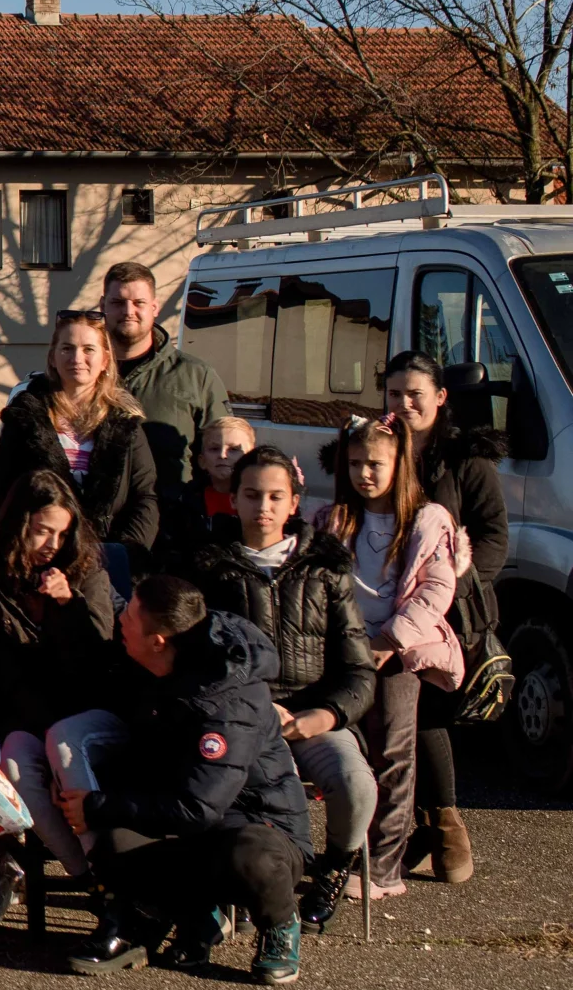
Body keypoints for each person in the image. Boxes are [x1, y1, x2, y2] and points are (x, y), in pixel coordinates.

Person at [65, 576, 309, 986]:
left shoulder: (226, 701)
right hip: (184, 818)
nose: (120, 620)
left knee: (249, 856)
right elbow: (117, 605)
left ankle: (280, 923)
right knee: (113, 843)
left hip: (254, 824)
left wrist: (96, 804)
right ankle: (193, 916)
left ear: (158, 641)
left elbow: (199, 807)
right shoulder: (164, 654)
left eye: (129, 618)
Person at [188, 444, 377, 926]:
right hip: (240, 720)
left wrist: (325, 715)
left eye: (275, 497)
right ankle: (245, 886)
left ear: (294, 502)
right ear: (234, 499)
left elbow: (359, 670)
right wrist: (249, 708)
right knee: (242, 789)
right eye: (252, 495)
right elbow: (194, 661)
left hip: (313, 716)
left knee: (355, 783)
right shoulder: (207, 567)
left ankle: (334, 868)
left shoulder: (326, 570)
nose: (264, 507)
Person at [315, 415, 465, 899]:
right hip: (347, 652)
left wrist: (390, 641)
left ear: (399, 464)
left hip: (400, 654)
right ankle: (346, 854)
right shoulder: (334, 519)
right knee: (350, 754)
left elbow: (435, 590)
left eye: (375, 464)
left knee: (395, 757)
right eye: (355, 463)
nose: (364, 474)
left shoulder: (427, 519)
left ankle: (383, 869)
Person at [0, 470, 118, 888]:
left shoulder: (85, 568)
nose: (52, 545)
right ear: (18, 526)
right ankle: (88, 876)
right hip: (25, 709)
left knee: (65, 745)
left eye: (62, 533)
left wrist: (67, 605)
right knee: (17, 763)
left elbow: (100, 655)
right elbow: (6, 673)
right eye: (42, 531)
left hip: (90, 703)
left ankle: (112, 878)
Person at [384, 348, 506, 883]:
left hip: (447, 610)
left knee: (427, 713)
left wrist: (452, 584)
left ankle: (447, 826)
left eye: (415, 394)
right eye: (394, 394)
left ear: (440, 397)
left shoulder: (466, 459)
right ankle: (422, 828)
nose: (405, 404)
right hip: (387, 602)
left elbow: (494, 534)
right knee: (392, 717)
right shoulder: (376, 449)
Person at [0, 309, 158, 573]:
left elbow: (145, 497)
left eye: (88, 349)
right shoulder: (24, 419)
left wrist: (124, 554)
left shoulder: (126, 423)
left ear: (105, 359)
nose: (77, 358)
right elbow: (1, 490)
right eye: (67, 348)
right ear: (53, 357)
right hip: (36, 563)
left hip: (108, 564)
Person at [100, 260, 230, 516]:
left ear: (155, 307)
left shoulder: (196, 376)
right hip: (96, 524)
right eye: (118, 302)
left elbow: (226, 457)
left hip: (174, 522)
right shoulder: (83, 375)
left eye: (138, 303)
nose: (128, 311)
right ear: (102, 305)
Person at [165, 414, 258, 570]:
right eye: (214, 449)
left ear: (251, 457)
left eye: (234, 449)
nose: (222, 455)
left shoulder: (263, 499)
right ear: (202, 461)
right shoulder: (186, 501)